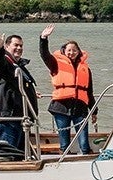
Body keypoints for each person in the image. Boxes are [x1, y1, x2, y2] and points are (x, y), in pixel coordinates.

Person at [38, 25, 95, 154]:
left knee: (84, 141)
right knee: (64, 141)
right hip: (61, 107)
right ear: (64, 52)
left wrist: (94, 110)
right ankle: (64, 157)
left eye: (74, 50)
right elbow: (44, 55)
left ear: (79, 52)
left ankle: (86, 155)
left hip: (80, 107)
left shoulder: (85, 69)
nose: (71, 53)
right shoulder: (55, 64)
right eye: (69, 50)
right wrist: (43, 38)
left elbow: (89, 92)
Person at [0, 29, 39, 156]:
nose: (19, 48)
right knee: (7, 154)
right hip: (8, 117)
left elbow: (19, 86)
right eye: (15, 45)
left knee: (21, 155)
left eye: (21, 46)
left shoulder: (19, 66)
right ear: (7, 46)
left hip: (20, 118)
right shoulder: (3, 64)